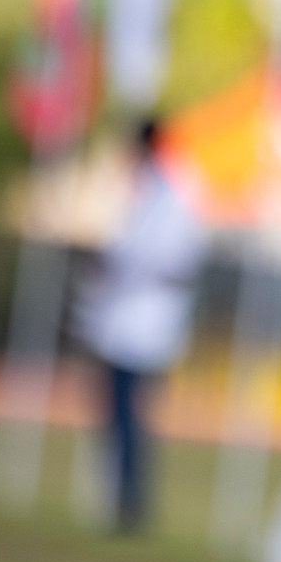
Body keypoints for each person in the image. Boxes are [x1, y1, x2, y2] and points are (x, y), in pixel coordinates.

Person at [77, 117, 208, 532]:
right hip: (121, 320)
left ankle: (130, 503)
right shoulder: (142, 190)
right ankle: (116, 497)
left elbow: (176, 262)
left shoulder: (176, 194)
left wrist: (129, 272)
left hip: (146, 323)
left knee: (129, 414)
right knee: (115, 414)